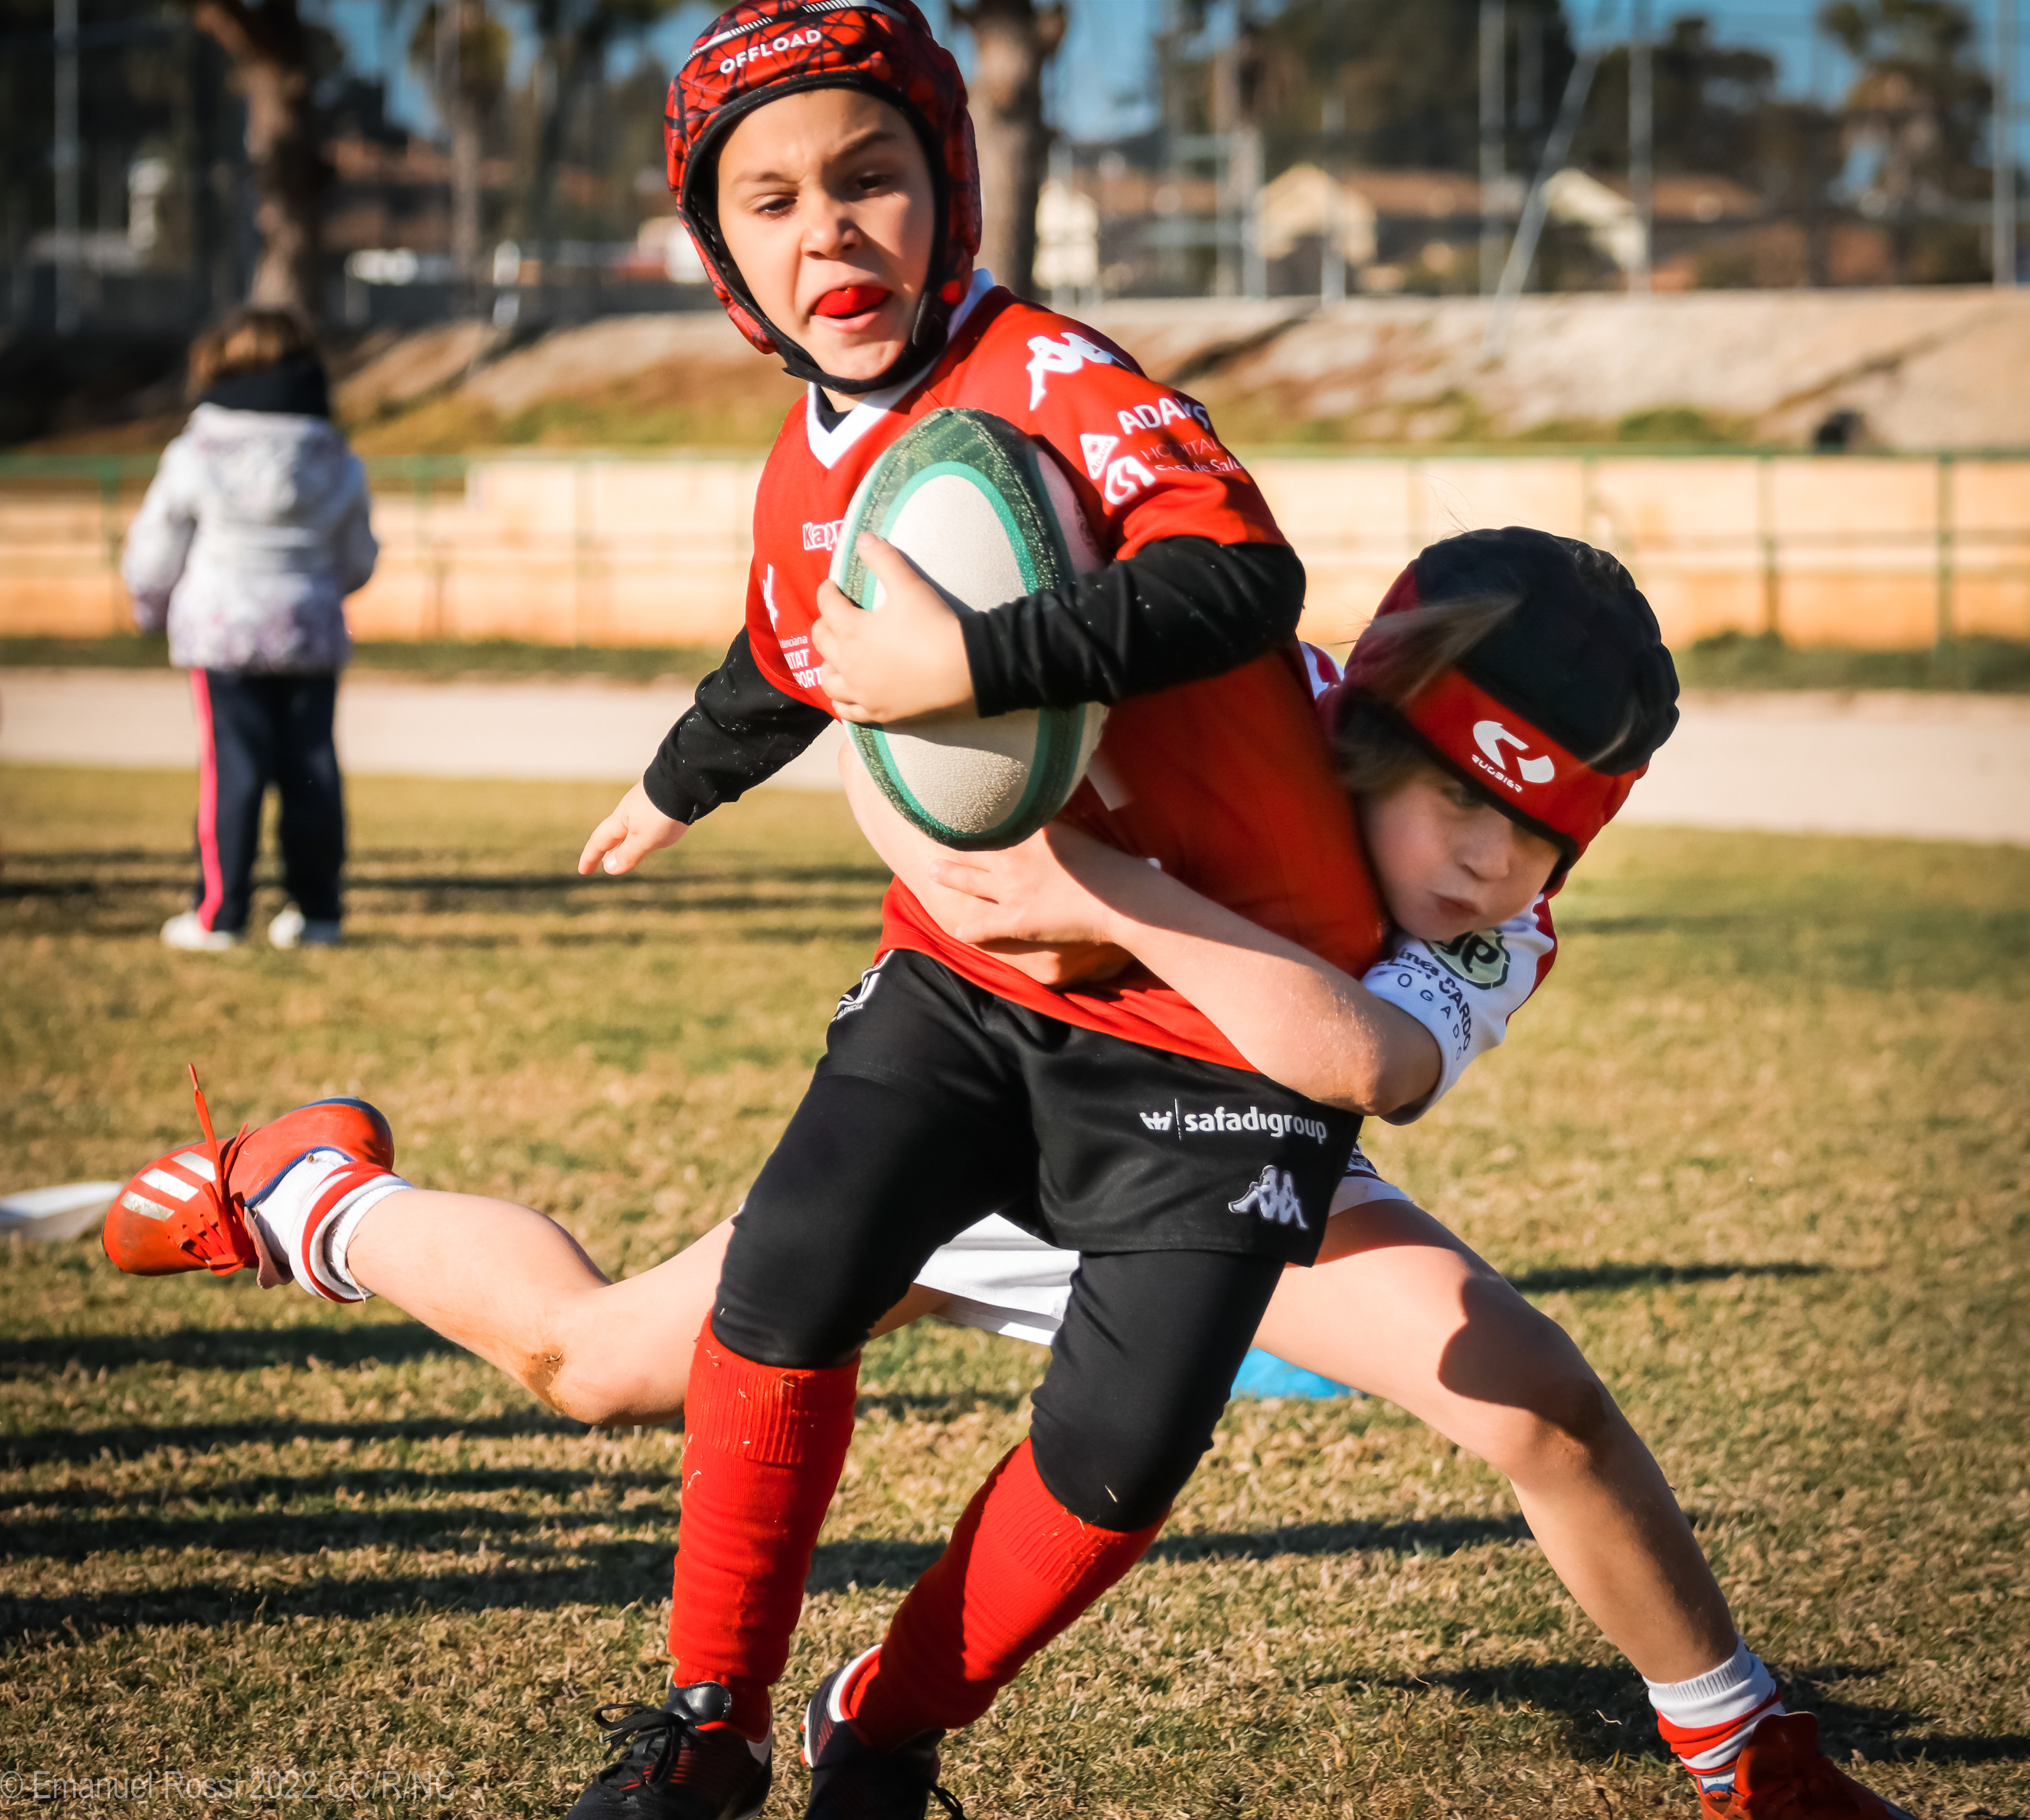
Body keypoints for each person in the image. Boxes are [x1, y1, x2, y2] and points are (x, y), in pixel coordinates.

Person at [103, 525, 1914, 1820]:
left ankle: (1741, 1747)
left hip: (1218, 1165)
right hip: (985, 1128)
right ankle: (308, 1195)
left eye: (1543, 844)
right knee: (591, 1363)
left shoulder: (1499, 930)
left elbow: (1362, 1061)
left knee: (1540, 1400)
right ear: (1373, 721)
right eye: (1470, 807)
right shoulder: (1213, 693)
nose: (1497, 873)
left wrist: (1100, 892)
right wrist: (978, 833)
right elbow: (909, 774)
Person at [123, 306, 376, 953]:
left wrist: (150, 606)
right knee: (312, 772)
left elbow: (155, 553)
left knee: (231, 771)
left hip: (222, 632)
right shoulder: (336, 456)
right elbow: (358, 559)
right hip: (309, 631)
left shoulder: (196, 452)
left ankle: (219, 914)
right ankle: (319, 913)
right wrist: (315, 588)